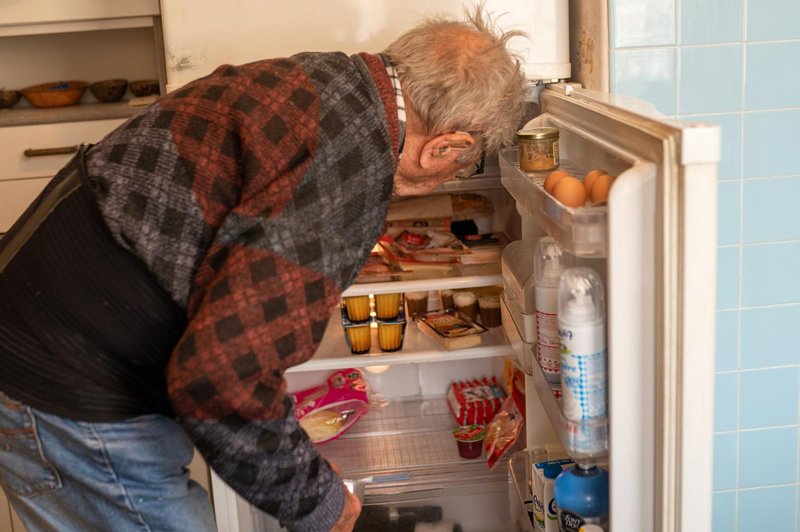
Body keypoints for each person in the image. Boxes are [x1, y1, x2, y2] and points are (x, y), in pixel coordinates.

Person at [0, 4, 527, 531]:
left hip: (49, 318)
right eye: (467, 161)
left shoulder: (326, 79)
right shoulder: (347, 176)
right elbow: (223, 378)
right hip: (63, 377)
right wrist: (321, 501)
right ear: (446, 148)